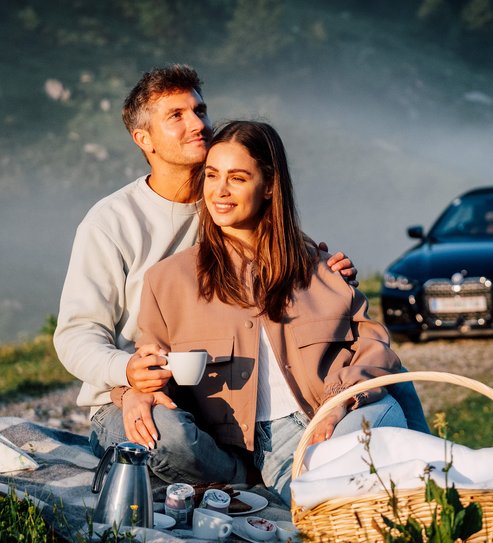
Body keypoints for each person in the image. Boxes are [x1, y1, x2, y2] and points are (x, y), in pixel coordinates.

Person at [52, 64, 425, 482]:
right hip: (135, 392)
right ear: (144, 139)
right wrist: (128, 380)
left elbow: (285, 247)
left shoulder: (227, 200)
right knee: (165, 437)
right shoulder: (112, 223)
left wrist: (326, 275)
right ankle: (246, 479)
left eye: (200, 110)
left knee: (390, 373)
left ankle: (441, 481)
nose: (197, 124)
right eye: (176, 115)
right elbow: (75, 336)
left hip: (214, 390)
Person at [127, 120, 407, 504]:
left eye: (237, 178)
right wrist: (132, 389)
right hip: (270, 444)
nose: (220, 191)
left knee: (383, 428)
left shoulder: (321, 268)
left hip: (341, 415)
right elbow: (152, 367)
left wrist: (338, 404)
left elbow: (374, 346)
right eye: (212, 176)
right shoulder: (168, 280)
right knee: (331, 500)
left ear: (270, 186)